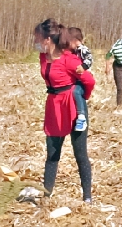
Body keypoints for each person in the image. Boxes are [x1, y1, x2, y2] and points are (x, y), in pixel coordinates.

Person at [36, 21, 95, 201]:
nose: (35, 42)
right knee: (52, 154)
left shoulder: (70, 60)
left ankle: (87, 197)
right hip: (53, 106)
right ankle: (47, 195)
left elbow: (89, 81)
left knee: (80, 154)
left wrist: (81, 98)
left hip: (73, 107)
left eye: (37, 38)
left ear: (47, 40)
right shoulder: (43, 58)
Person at [67, 27, 92, 132]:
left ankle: (81, 116)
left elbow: (90, 59)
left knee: (76, 91)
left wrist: (83, 67)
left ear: (75, 40)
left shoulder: (82, 49)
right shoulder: (73, 50)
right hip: (77, 78)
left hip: (83, 77)